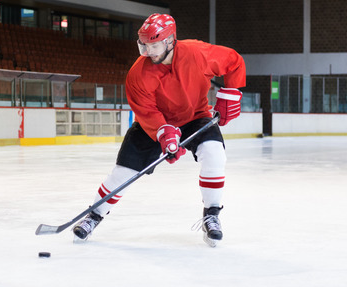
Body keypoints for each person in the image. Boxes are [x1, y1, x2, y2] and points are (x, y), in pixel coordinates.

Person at [72, 13, 246, 247]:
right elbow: (146, 110)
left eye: (154, 44)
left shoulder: (197, 53)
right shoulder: (138, 73)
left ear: (170, 40)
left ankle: (211, 215)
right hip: (155, 123)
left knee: (215, 154)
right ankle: (94, 215)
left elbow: (234, 61)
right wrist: (163, 132)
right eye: (144, 45)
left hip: (196, 116)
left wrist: (231, 93)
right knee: (122, 172)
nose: (149, 51)